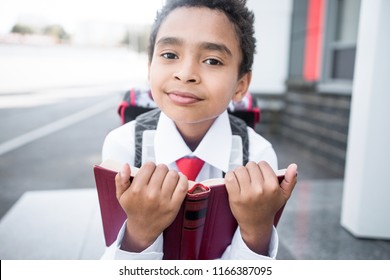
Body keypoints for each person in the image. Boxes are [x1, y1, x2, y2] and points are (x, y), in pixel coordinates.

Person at [101, 0, 298, 260]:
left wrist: (257, 230)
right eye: (170, 55)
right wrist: (139, 233)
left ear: (241, 84)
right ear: (150, 69)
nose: (186, 74)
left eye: (212, 60)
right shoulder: (123, 147)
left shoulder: (258, 156)